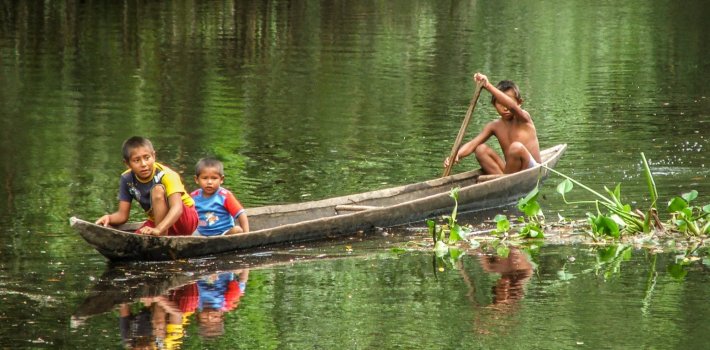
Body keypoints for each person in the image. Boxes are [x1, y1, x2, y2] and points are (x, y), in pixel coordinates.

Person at [95, 136, 198, 236]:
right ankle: (161, 235)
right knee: (135, 241)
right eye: (136, 160)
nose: (143, 164)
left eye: (147, 158)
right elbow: (122, 215)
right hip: (158, 221)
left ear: (154, 156)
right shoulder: (127, 179)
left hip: (185, 220)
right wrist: (109, 218)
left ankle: (162, 237)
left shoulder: (167, 175)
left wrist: (159, 229)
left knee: (157, 189)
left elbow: (177, 208)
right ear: (127, 164)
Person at [444, 73, 541, 174]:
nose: (505, 107)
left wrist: (487, 85)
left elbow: (512, 107)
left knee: (516, 147)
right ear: (494, 105)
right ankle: (503, 182)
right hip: (511, 172)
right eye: (500, 103)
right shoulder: (495, 126)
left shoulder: (524, 118)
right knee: (480, 149)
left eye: (507, 102)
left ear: (519, 103)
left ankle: (504, 182)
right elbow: (473, 144)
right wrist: (456, 155)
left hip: (532, 169)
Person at [191, 158, 249, 236]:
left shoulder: (224, 196)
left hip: (224, 233)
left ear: (221, 179)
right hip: (201, 234)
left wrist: (247, 235)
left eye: (214, 178)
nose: (209, 182)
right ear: (196, 179)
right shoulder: (193, 196)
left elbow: (241, 214)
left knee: (237, 230)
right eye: (205, 178)